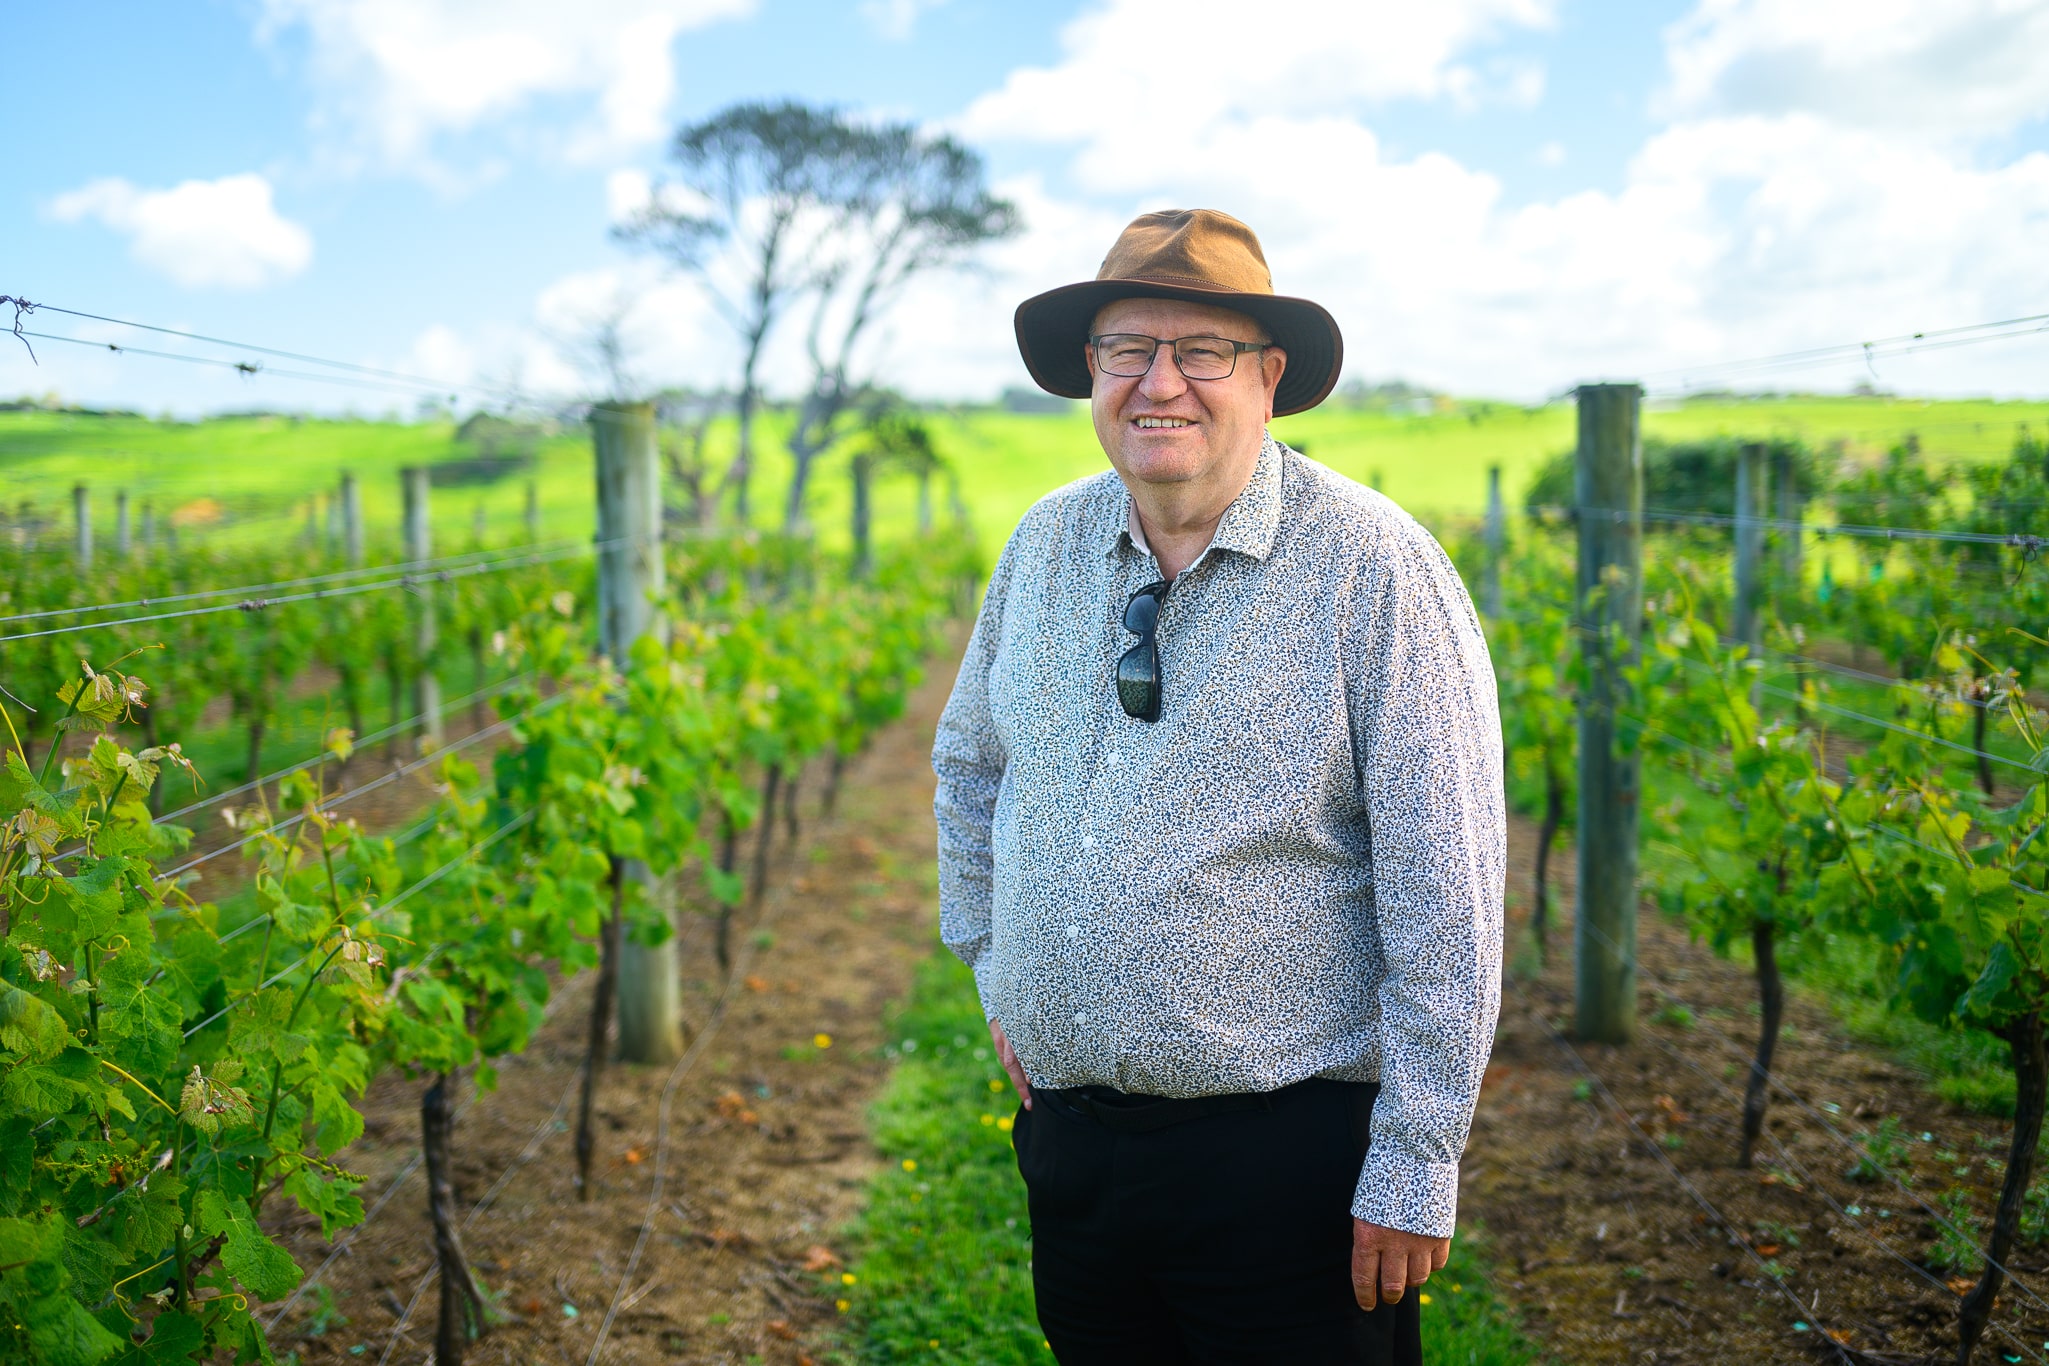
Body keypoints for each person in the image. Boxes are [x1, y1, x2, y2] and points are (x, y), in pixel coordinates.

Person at [932, 207, 1504, 1365]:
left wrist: (1415, 1159)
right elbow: (967, 768)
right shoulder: (1043, 548)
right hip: (1073, 1153)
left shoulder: (1373, 568)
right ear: (1089, 373)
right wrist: (996, 965)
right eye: (1126, 350)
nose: (1161, 384)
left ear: (1269, 376)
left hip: (1285, 1170)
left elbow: (1450, 888)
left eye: (1202, 352)